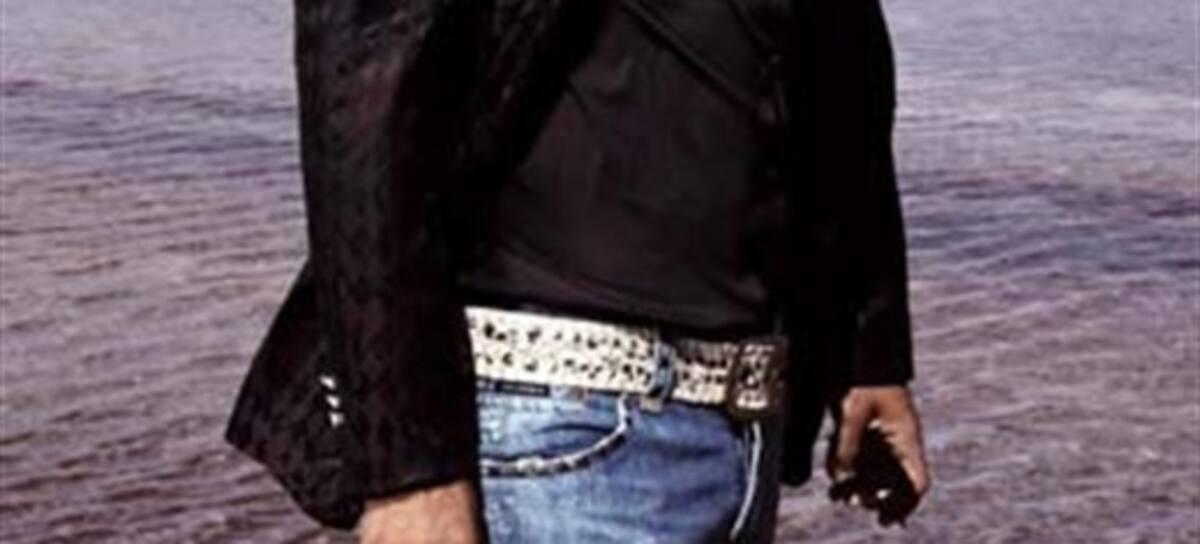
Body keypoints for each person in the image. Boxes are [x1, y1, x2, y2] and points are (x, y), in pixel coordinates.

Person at [225, 0, 932, 542]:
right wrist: (408, 475)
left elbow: (837, 51)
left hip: (740, 426)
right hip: (553, 430)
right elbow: (364, 75)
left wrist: (866, 347)